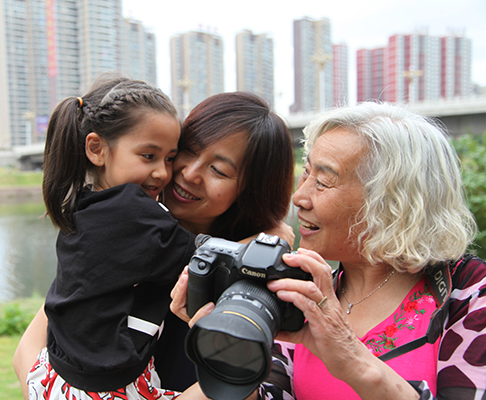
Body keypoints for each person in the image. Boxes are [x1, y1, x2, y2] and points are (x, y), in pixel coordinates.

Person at [172, 102, 486, 400]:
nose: (299, 198)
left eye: (322, 181)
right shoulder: (307, 293)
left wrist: (352, 360)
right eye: (305, 173)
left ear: (393, 202)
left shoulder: (468, 292)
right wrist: (225, 343)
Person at [13, 89, 297, 399]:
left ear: (252, 191)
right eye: (185, 153)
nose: (187, 173)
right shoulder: (117, 236)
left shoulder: (259, 281)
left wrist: (259, 254)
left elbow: (260, 384)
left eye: (218, 169)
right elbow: (28, 352)